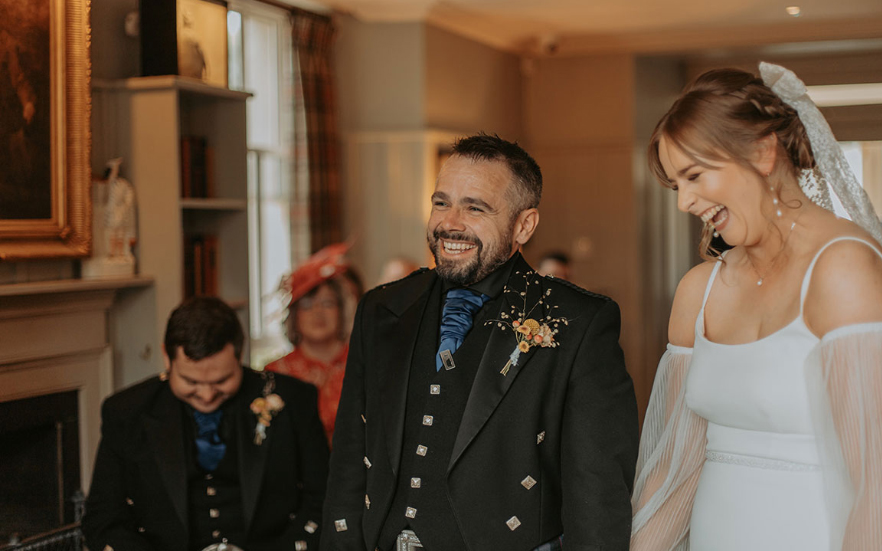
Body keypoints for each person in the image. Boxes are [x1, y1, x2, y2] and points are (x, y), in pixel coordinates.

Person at [631, 63, 882, 550]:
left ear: (763, 152)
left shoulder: (844, 271)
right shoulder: (698, 290)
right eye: (677, 185)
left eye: (695, 175)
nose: (684, 202)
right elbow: (674, 468)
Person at [321, 133, 639, 551]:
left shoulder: (578, 322)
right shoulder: (381, 309)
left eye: (475, 208)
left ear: (524, 225)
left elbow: (597, 490)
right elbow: (350, 458)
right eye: (441, 202)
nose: (450, 223)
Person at [83, 296, 329, 551]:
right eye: (191, 382)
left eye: (221, 380)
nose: (207, 395)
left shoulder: (294, 400)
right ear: (167, 357)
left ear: (239, 354)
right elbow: (104, 518)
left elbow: (323, 498)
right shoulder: (127, 411)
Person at [266, 242, 363, 444]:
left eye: (327, 303)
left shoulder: (364, 365)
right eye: (307, 306)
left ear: (342, 310)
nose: (318, 313)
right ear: (294, 316)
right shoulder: (275, 372)